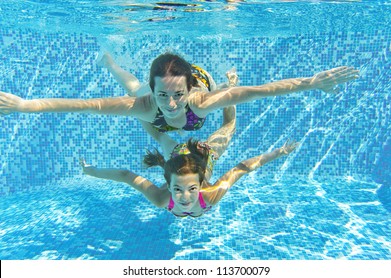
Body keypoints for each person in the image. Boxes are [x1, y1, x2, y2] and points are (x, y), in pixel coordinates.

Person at [0, 52, 359, 143]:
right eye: (164, 96)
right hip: (152, 93)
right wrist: (24, 105)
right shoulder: (146, 103)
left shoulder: (196, 100)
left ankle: (218, 82)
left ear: (185, 92)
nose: (170, 104)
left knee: (226, 94)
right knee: (131, 86)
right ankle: (110, 62)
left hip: (199, 80)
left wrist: (312, 82)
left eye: (176, 96)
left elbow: (263, 91)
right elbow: (86, 106)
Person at [79, 105, 299, 218]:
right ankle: (140, 106)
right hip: (179, 155)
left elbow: (242, 168)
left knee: (229, 125)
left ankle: (229, 89)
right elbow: (127, 177)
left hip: (203, 156)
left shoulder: (206, 195)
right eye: (177, 188)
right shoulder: (163, 197)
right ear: (168, 182)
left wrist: (280, 152)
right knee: (158, 135)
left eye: (192, 188)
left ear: (202, 182)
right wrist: (90, 172)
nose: (184, 197)